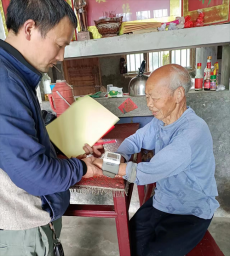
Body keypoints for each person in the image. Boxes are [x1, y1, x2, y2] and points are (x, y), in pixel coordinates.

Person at [0, 0, 102, 255]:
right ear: (30, 28)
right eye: (59, 45)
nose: (60, 58)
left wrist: (60, 145)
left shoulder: (14, 75)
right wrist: (81, 168)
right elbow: (33, 174)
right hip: (20, 230)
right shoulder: (5, 82)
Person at [94, 64, 220, 256]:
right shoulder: (161, 121)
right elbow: (135, 139)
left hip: (190, 211)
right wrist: (116, 158)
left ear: (178, 95)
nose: (150, 104)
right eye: (147, 98)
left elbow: (146, 172)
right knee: (129, 244)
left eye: (155, 98)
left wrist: (105, 166)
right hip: (162, 201)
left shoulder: (192, 132)